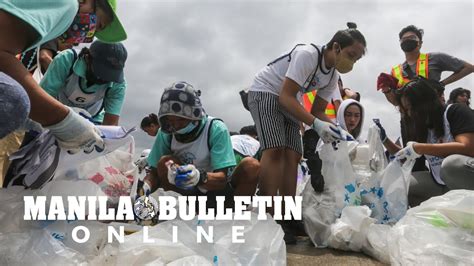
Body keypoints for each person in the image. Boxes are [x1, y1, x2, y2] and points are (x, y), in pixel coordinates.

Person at [247, 22, 366, 243]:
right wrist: (317, 124)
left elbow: (318, 111)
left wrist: (336, 128)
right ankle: (268, 216)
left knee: (293, 155)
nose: (352, 62)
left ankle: (287, 215)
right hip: (266, 91)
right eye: (351, 55)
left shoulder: (331, 77)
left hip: (290, 100)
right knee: (275, 150)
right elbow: (285, 96)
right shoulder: (307, 55)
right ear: (336, 47)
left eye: (356, 59)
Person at [0, 0, 127, 145]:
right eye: (97, 25)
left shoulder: (117, 84)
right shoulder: (68, 5)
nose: (89, 36)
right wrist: (63, 119)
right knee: (16, 99)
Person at [138, 82, 260, 208]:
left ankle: (233, 216)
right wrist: (145, 187)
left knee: (251, 166)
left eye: (181, 119)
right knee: (165, 162)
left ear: (194, 115)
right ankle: (180, 211)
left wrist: (199, 177)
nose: (176, 125)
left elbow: (222, 179)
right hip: (187, 194)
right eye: (171, 120)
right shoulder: (166, 132)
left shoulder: (215, 129)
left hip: (218, 192)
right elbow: (154, 172)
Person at [377, 25, 473, 172]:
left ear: (420, 43)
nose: (407, 41)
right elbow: (397, 102)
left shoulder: (434, 58)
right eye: (403, 40)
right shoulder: (395, 71)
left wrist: (442, 83)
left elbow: (468, 67)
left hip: (434, 116)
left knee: (446, 156)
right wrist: (387, 90)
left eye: (412, 38)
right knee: (413, 163)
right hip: (410, 121)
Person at [376, 77, 474, 207]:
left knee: (452, 165)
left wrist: (421, 148)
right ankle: (442, 217)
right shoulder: (422, 128)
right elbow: (406, 157)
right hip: (443, 183)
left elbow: (468, 147)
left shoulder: (456, 111)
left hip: (465, 177)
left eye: (410, 108)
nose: (409, 114)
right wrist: (385, 140)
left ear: (425, 103)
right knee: (403, 186)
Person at [40, 40, 128, 125]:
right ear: (87, 58)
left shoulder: (118, 83)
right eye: (101, 72)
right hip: (57, 111)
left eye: (110, 75)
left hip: (93, 119)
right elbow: (43, 98)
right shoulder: (67, 59)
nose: (104, 78)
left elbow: (111, 123)